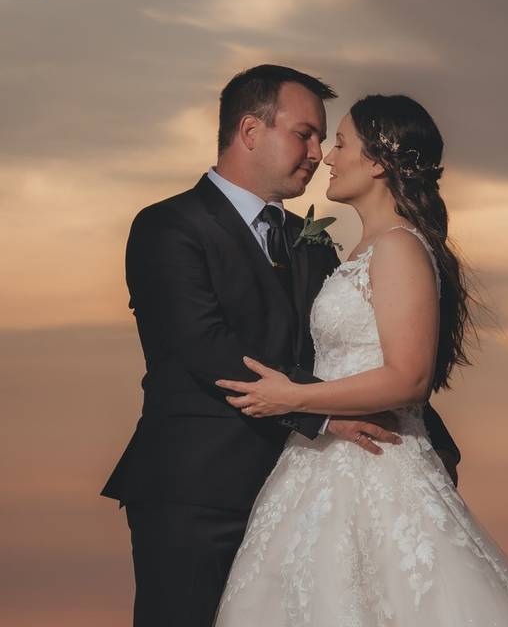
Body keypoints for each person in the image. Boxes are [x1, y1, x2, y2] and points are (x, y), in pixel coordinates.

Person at [100, 66, 460, 627]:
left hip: (302, 497)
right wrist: (319, 413)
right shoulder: (169, 226)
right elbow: (204, 345)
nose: (318, 152)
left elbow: (356, 349)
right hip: (198, 492)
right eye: (305, 134)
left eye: (325, 139)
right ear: (249, 130)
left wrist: (429, 443)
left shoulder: (312, 243)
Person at [212, 94, 508, 626]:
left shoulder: (399, 248)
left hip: (375, 466)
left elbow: (409, 377)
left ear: (377, 162)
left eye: (342, 143)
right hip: (321, 464)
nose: (327, 156)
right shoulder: (361, 250)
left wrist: (296, 397)